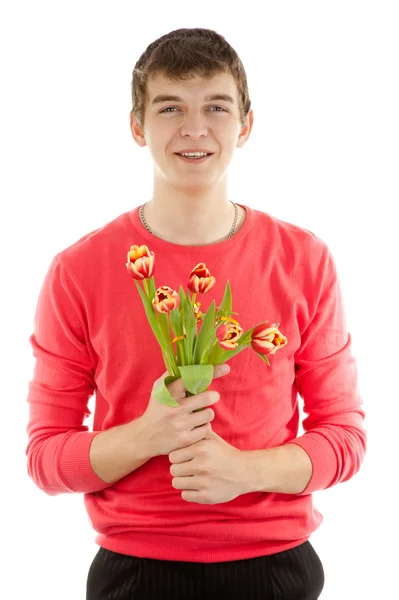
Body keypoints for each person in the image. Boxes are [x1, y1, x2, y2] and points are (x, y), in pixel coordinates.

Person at [26, 27, 367, 600]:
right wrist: (146, 435)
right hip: (134, 572)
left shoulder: (304, 260)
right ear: (137, 126)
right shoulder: (78, 270)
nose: (194, 128)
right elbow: (44, 457)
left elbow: (346, 438)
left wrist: (245, 472)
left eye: (216, 106)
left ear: (246, 125)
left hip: (277, 568)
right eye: (169, 108)